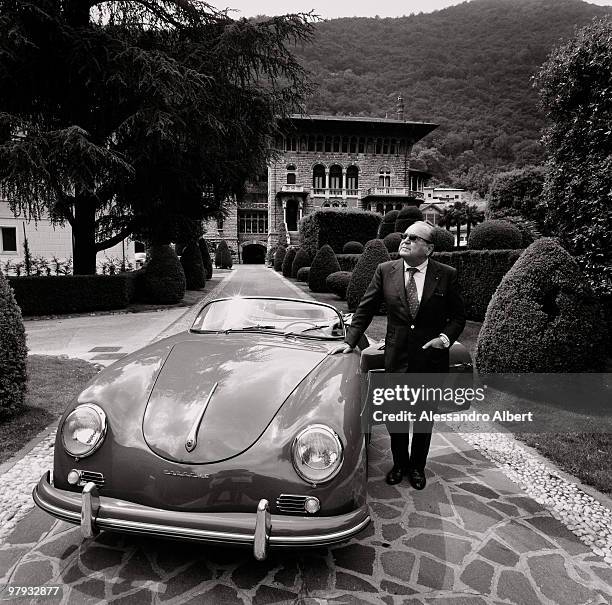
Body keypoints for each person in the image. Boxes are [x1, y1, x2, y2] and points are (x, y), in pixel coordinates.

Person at [332, 221, 465, 489]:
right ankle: (400, 463)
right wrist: (350, 341)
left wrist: (444, 338)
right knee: (396, 417)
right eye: (404, 236)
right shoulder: (385, 270)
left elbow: (459, 316)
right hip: (396, 359)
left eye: (413, 238)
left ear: (428, 248)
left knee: (423, 419)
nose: (404, 240)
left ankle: (417, 468)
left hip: (430, 361)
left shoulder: (446, 274)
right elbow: (365, 309)